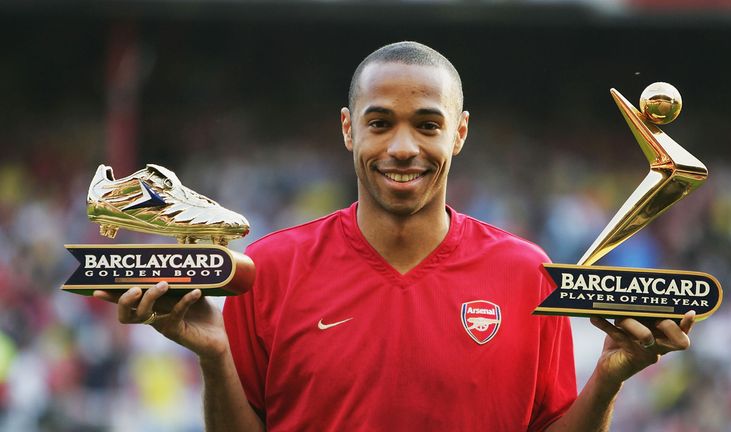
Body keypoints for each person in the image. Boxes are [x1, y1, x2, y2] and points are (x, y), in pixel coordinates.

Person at [94, 41, 695, 431]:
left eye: (427, 125)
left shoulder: (525, 273)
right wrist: (215, 355)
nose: (403, 147)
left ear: (458, 133)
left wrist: (610, 375)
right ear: (348, 130)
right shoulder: (270, 268)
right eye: (380, 123)